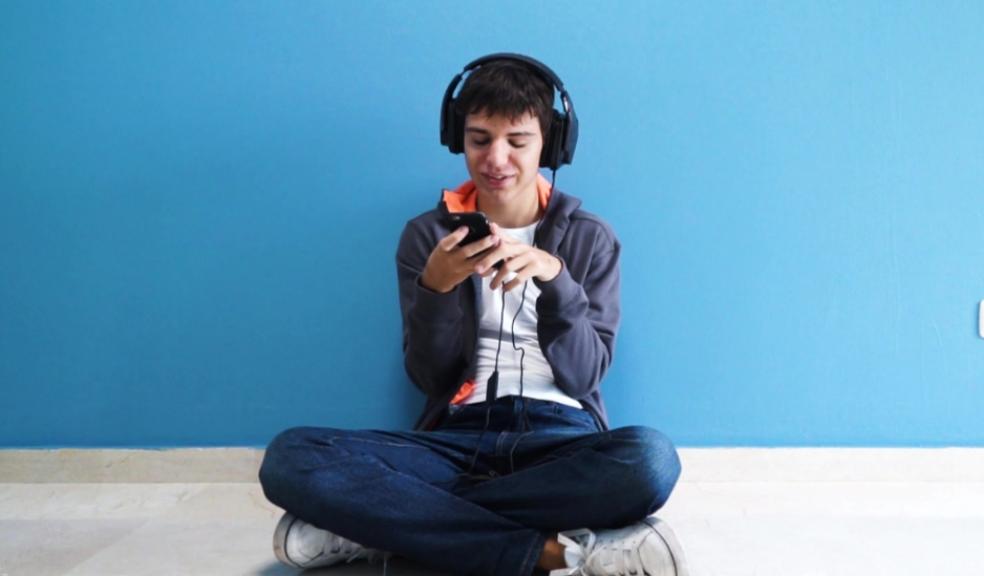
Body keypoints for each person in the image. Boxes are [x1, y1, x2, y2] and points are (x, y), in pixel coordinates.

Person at [258, 53, 688, 576]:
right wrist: (435, 288)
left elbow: (585, 374)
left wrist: (555, 279)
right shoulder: (426, 236)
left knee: (649, 462)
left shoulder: (589, 237)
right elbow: (429, 378)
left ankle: (377, 525)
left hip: (560, 439)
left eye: (517, 141)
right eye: (479, 139)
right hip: (454, 437)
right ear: (457, 138)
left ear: (550, 144)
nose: (495, 159)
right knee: (290, 457)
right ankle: (551, 552)